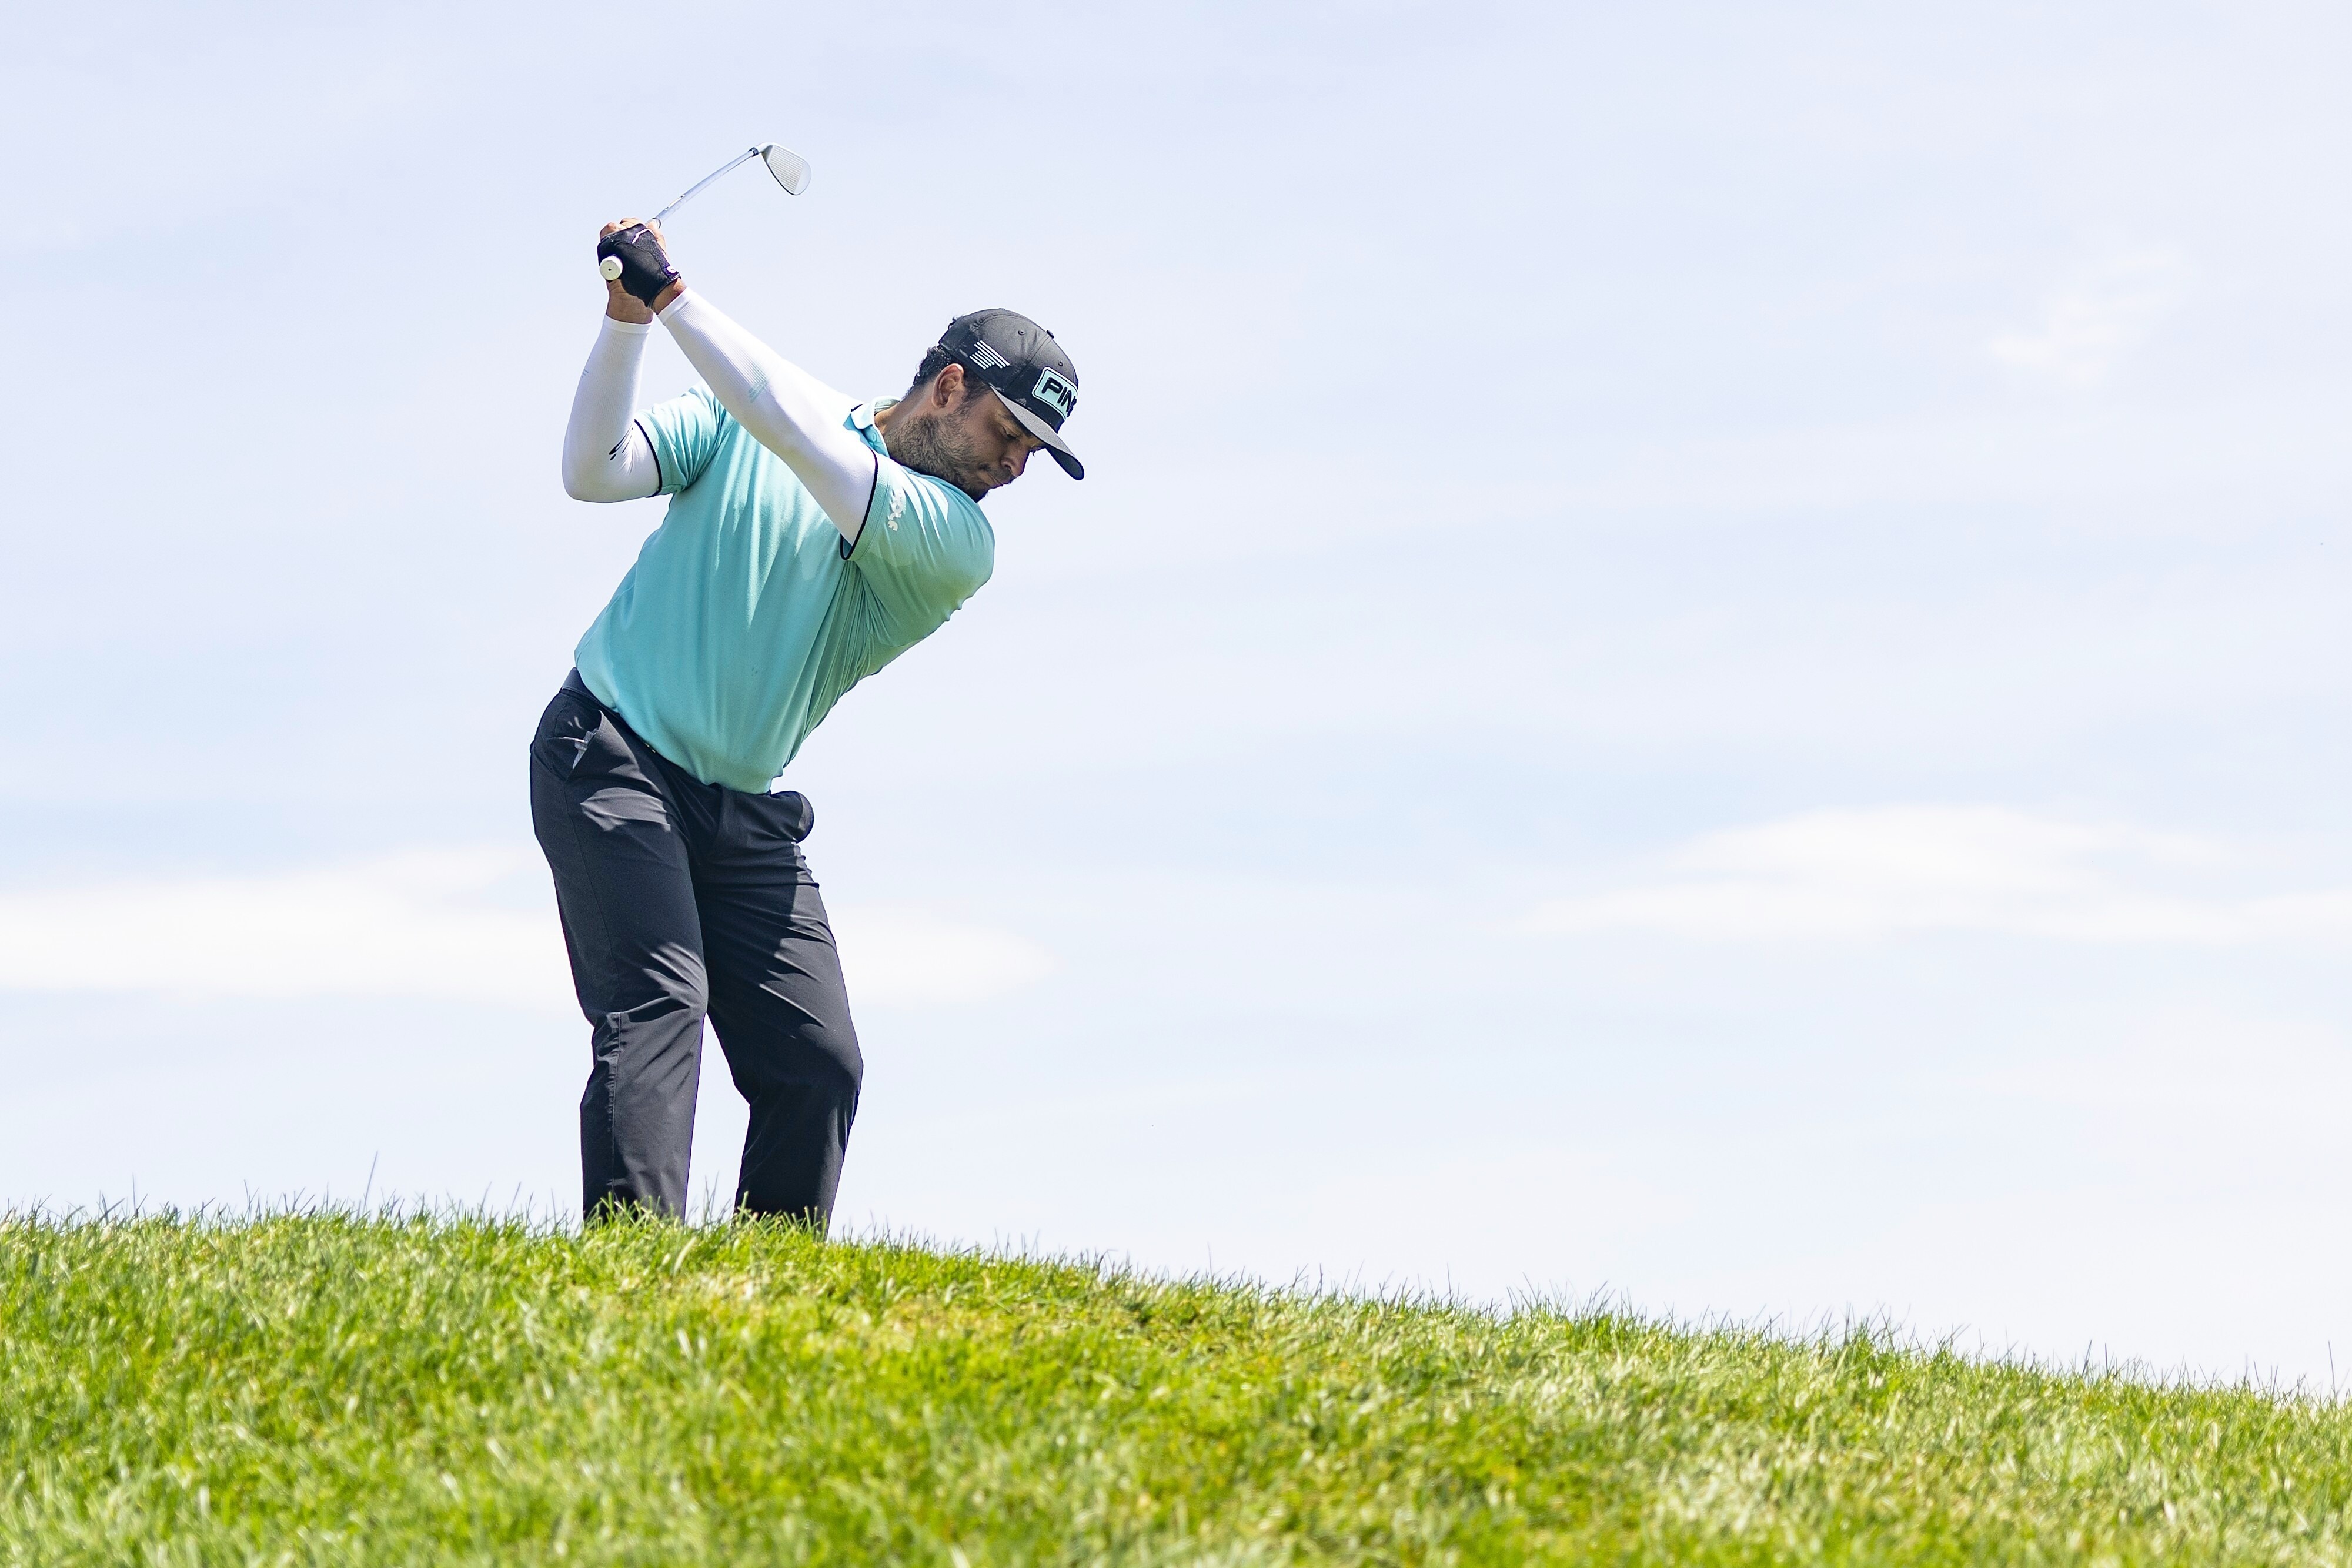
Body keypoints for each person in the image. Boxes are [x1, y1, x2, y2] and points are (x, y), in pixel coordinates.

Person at [532, 218, 1084, 1226]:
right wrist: (625, 323)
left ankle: (770, 1295)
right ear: (950, 386)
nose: (1016, 468)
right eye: (1010, 435)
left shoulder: (958, 541)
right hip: (606, 754)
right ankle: (629, 1286)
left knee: (818, 1063)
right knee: (661, 1005)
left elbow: (797, 436)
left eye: (1037, 455)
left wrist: (673, 298)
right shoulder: (758, 411)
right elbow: (593, 467)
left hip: (741, 811)